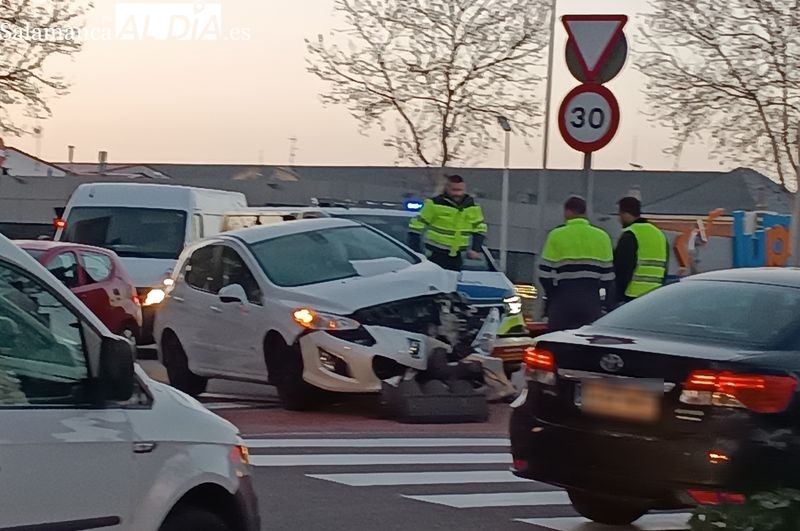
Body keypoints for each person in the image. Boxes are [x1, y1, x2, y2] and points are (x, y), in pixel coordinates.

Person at [538, 196, 615, 332]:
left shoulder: (556, 235)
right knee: (586, 346)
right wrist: (601, 302)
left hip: (563, 300)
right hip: (591, 301)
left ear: (568, 212)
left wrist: (553, 295)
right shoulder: (603, 237)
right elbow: (608, 279)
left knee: (557, 343)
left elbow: (544, 274)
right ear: (584, 213)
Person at [407, 174, 487, 271]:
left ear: (464, 189)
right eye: (454, 190)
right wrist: (416, 250)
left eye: (460, 190)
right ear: (447, 189)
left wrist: (475, 249)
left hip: (459, 255)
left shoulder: (473, 207)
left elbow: (480, 228)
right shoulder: (434, 204)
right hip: (435, 253)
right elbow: (416, 226)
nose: (457, 193)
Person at [614, 196, 669, 304]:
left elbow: (622, 268)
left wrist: (617, 296)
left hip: (632, 296)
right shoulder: (658, 233)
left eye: (619, 215)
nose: (619, 219)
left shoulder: (631, 234)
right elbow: (665, 267)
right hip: (655, 295)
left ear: (625, 214)